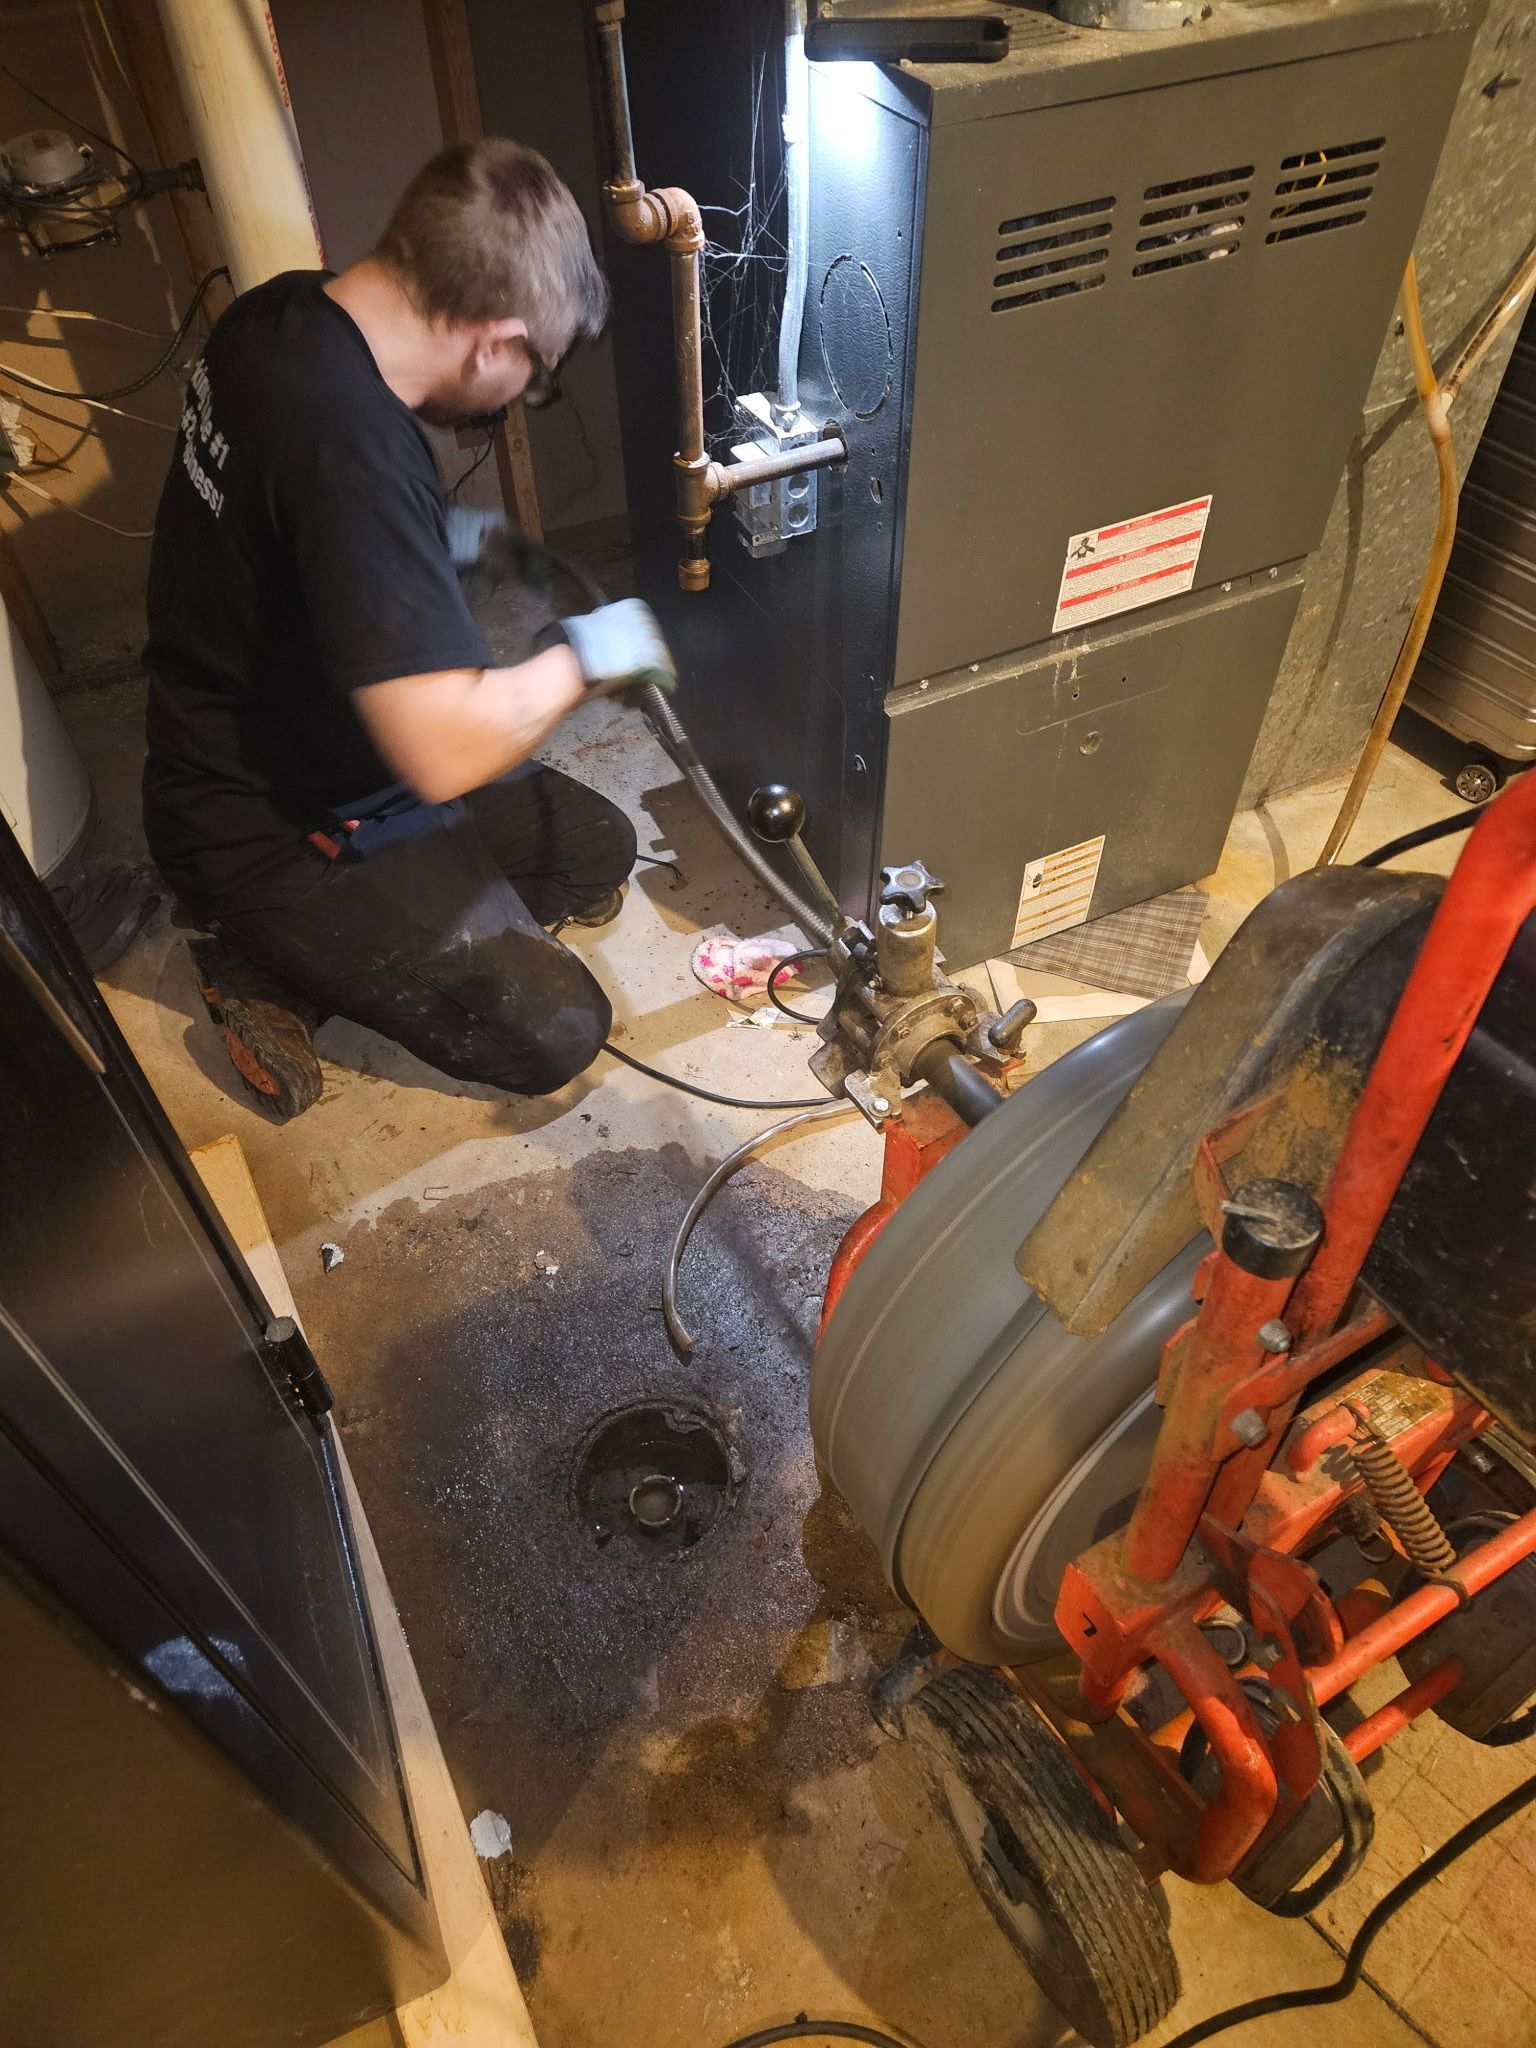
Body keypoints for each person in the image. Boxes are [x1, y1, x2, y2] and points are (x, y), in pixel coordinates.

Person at [142, 139, 675, 1119]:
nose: (525, 395)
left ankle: (356, 936)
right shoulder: (355, 453)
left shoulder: (285, 314)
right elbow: (443, 751)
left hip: (323, 732)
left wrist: (439, 548)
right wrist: (585, 654)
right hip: (263, 819)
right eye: (538, 373)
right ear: (495, 343)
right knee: (555, 1027)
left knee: (595, 850)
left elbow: (295, 524)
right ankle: (254, 952)